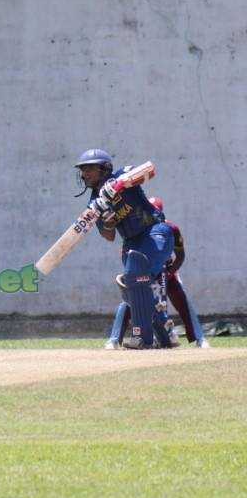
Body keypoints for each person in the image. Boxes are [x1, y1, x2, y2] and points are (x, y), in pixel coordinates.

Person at [74, 149, 174, 350]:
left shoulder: (122, 175)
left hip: (155, 231)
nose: (86, 174)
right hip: (131, 243)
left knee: (135, 275)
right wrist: (109, 223)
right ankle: (165, 337)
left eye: (91, 169)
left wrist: (117, 185)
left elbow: (149, 169)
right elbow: (108, 236)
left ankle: (142, 338)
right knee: (132, 286)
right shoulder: (94, 204)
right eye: (83, 170)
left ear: (105, 169)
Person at [106, 197, 210, 349]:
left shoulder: (170, 228)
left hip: (166, 270)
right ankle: (114, 340)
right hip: (142, 272)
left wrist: (170, 271)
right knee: (130, 300)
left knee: (181, 299)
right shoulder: (135, 228)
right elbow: (128, 255)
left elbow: (180, 255)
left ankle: (199, 339)